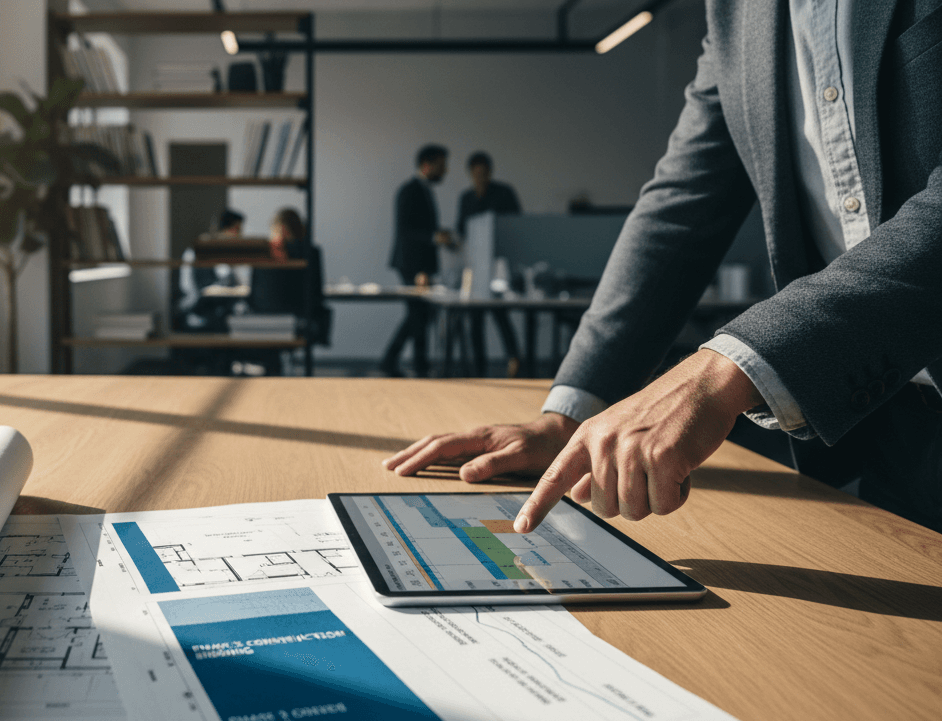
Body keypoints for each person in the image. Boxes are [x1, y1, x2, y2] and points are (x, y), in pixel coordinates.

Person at [385, 1, 942, 535]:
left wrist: (735, 365)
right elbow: (681, 207)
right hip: (875, 412)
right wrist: (571, 415)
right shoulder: (736, 13)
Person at [381, 144, 453, 378]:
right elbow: (406, 230)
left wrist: (439, 236)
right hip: (412, 263)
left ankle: (404, 361)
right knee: (419, 313)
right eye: (441, 166)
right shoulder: (410, 190)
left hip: (418, 262)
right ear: (427, 165)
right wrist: (433, 238)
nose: (445, 171)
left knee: (420, 313)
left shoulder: (422, 190)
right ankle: (404, 361)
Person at [455, 151, 522, 377]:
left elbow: (515, 225)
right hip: (475, 265)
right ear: (471, 174)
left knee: (500, 314)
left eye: (484, 173)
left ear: (490, 172)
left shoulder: (503, 193)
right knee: (475, 318)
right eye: (476, 174)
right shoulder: (467, 198)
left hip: (497, 266)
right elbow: (462, 230)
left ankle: (515, 360)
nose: (480, 178)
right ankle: (478, 368)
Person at [242, 208, 328, 375]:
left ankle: (272, 369)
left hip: (264, 319)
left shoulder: (263, 252)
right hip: (299, 320)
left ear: (278, 229)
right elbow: (317, 293)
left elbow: (253, 294)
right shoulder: (312, 252)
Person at [177, 209, 244, 332]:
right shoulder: (200, 251)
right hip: (198, 311)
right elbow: (195, 290)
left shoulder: (223, 252)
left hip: (215, 310)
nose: (240, 235)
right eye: (238, 230)